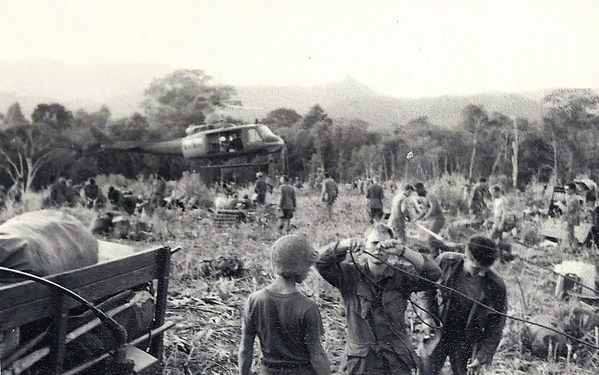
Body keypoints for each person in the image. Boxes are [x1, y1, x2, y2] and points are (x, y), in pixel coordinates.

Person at [316, 223, 442, 375]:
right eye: (374, 243)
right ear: (365, 245)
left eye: (385, 245)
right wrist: (345, 244)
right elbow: (320, 262)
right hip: (361, 363)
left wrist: (403, 251)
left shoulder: (401, 275)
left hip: (395, 361)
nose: (379, 248)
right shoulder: (349, 275)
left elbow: (434, 274)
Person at [239, 235, 331, 375]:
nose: (308, 272)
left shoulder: (254, 300)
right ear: (298, 268)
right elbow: (317, 355)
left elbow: (245, 349)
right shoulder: (307, 307)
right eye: (307, 266)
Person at [423, 236, 507, 375]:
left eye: (484, 269)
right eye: (476, 268)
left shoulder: (496, 285)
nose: (481, 273)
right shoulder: (446, 262)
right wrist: (427, 316)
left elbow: (496, 325)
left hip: (466, 338)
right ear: (466, 257)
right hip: (438, 328)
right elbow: (427, 286)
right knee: (426, 370)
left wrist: (482, 355)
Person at [414, 183, 445, 255]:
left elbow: (433, 207)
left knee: (431, 239)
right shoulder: (422, 198)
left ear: (422, 188)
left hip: (439, 219)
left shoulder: (430, 196)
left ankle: (448, 247)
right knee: (432, 240)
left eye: (417, 190)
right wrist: (416, 219)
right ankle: (436, 255)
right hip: (432, 220)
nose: (417, 193)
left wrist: (426, 217)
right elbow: (424, 211)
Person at [563, 182, 584, 249]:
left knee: (571, 232)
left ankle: (572, 246)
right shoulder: (569, 197)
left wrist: (560, 205)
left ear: (572, 190)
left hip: (573, 217)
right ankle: (571, 246)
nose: (566, 191)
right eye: (565, 189)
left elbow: (569, 209)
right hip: (570, 217)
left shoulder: (574, 198)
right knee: (569, 231)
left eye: (567, 189)